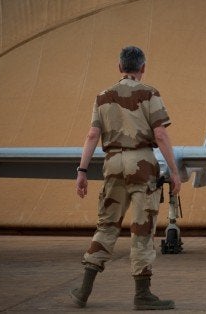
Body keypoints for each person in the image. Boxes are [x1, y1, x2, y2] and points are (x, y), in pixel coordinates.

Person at [70, 46, 181, 310]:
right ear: (142, 68)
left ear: (119, 67)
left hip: (113, 163)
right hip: (141, 163)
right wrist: (175, 172)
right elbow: (161, 135)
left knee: (107, 226)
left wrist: (82, 171)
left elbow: (91, 136)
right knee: (142, 227)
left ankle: (84, 290)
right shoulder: (149, 93)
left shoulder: (102, 96)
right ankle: (142, 294)